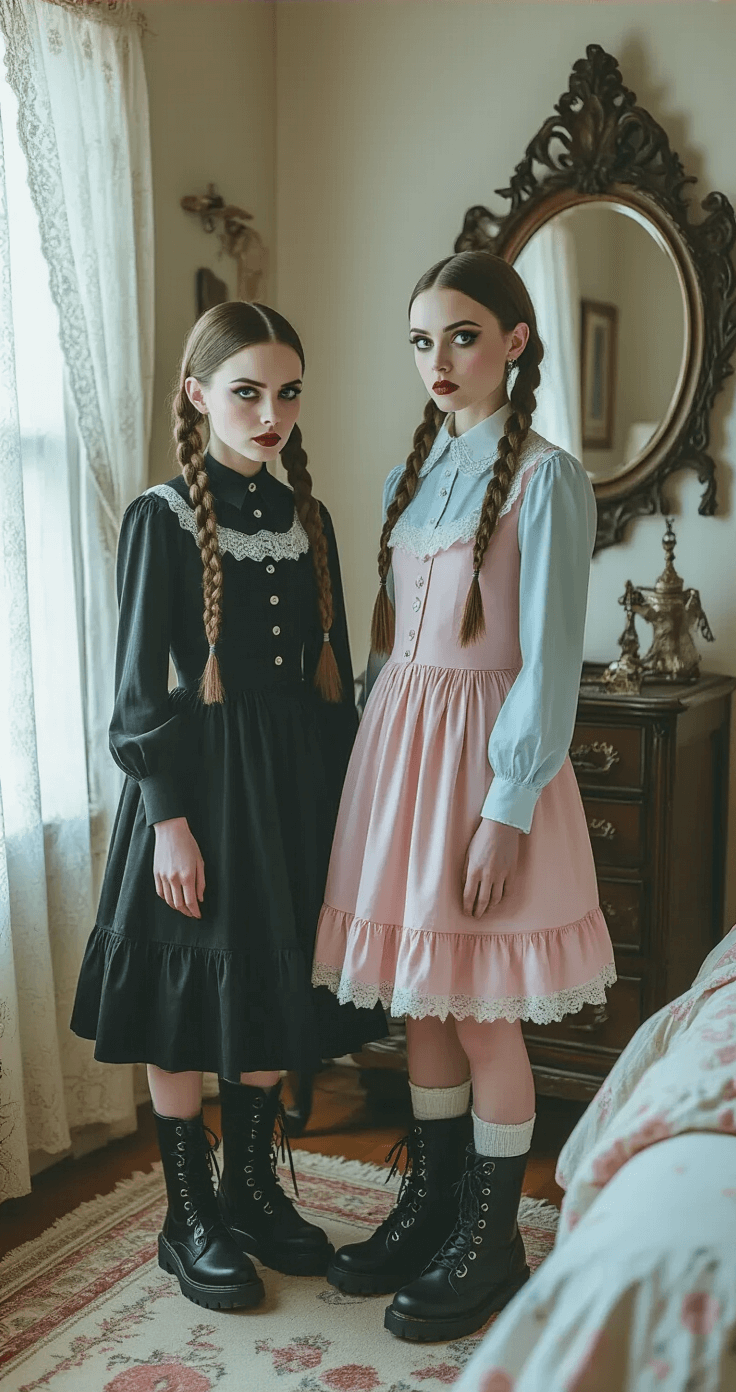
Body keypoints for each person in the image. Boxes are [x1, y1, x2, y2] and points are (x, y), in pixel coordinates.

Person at [312, 251, 616, 1342]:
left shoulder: (546, 479)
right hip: (403, 759)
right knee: (423, 1003)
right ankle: (434, 1207)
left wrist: (507, 809)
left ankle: (492, 1241)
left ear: (515, 341)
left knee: (482, 1009)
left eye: (462, 336)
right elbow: (400, 647)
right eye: (420, 341)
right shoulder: (420, 473)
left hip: (483, 767)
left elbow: (549, 661)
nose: (437, 360)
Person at [71, 301, 385, 1311]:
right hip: (197, 791)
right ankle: (187, 1215)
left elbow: (334, 688)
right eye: (247, 392)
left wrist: (349, 813)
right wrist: (168, 822)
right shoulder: (160, 516)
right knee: (180, 999)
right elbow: (134, 692)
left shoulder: (311, 519)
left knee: (266, 984)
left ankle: (249, 1191)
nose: (270, 414)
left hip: (290, 790)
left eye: (287, 393)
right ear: (199, 395)